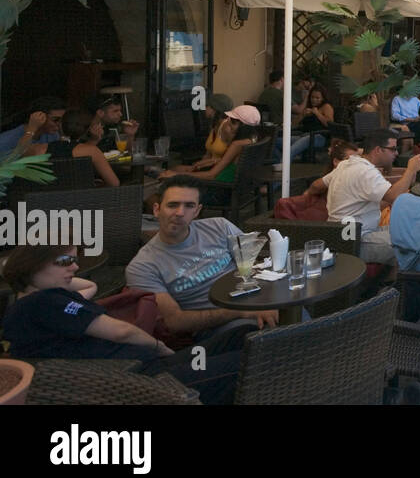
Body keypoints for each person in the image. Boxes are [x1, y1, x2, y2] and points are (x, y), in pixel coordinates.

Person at [0, 243, 246, 405]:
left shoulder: (39, 303)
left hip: (148, 365)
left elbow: (89, 287)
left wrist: (53, 276)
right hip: (146, 381)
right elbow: (121, 331)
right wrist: (159, 345)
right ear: (33, 266)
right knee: (245, 362)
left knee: (241, 334)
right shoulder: (45, 303)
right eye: (65, 261)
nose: (75, 267)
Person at [125, 175, 279, 336]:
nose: (180, 213)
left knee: (292, 309)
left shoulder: (220, 226)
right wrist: (240, 312)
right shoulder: (142, 266)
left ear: (197, 211)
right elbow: (175, 321)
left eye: (189, 206)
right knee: (260, 332)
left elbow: (255, 264)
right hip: (217, 324)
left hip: (253, 300)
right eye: (172, 205)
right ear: (157, 209)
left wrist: (268, 299)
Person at [306, 129, 420, 264]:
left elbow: (317, 185)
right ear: (378, 150)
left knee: (414, 228)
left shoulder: (346, 164)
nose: (396, 153)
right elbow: (393, 196)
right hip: (355, 240)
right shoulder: (365, 172)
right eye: (393, 149)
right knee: (414, 240)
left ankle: (393, 281)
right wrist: (411, 170)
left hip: (348, 233)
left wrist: (307, 194)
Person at [160, 106, 259, 184]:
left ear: (244, 127)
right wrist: (211, 161)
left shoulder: (237, 144)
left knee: (169, 182)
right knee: (176, 171)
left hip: (219, 187)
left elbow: (211, 175)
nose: (228, 123)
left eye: (233, 122)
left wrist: (176, 175)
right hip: (231, 184)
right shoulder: (252, 140)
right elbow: (228, 163)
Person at [52, 110, 120, 186]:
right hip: (86, 195)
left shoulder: (41, 148)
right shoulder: (92, 151)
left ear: (60, 125)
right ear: (87, 129)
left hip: (51, 196)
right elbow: (114, 183)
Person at [0, 97, 65, 156]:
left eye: (62, 120)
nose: (59, 124)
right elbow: (15, 157)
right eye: (56, 120)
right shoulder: (5, 140)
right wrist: (31, 129)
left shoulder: (53, 135)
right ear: (39, 117)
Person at [290, 86, 334, 160]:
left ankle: (283, 163)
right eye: (312, 97)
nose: (314, 100)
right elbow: (293, 124)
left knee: (297, 145)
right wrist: (302, 115)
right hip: (303, 135)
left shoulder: (326, 106)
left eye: (317, 98)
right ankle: (278, 161)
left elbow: (329, 124)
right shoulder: (308, 107)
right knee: (276, 142)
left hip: (319, 137)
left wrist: (317, 113)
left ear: (323, 98)